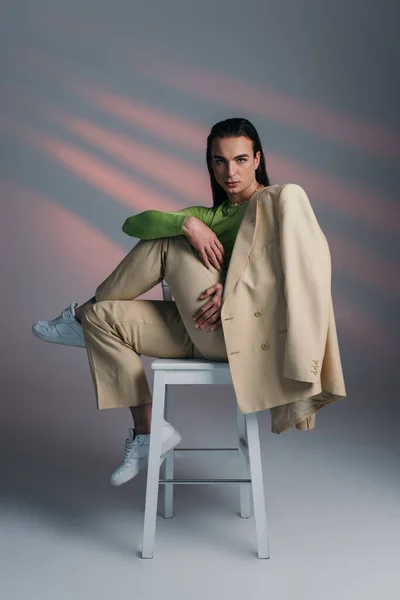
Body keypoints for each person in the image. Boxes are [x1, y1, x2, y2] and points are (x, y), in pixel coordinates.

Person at [32, 117, 271, 486]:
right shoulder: (214, 215)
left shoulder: (273, 205)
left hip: (236, 335)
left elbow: (290, 266)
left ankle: (76, 317)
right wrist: (189, 224)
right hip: (199, 329)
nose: (230, 171)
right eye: (219, 161)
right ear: (211, 164)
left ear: (257, 159)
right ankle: (147, 433)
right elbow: (134, 224)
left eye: (240, 159)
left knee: (168, 242)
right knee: (102, 316)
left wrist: (237, 285)